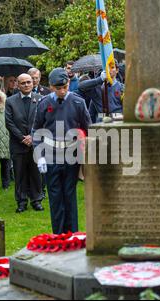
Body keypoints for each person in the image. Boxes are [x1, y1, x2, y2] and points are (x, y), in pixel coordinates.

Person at [32, 68, 92, 234]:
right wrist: (40, 156)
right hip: (51, 154)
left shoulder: (78, 102)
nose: (62, 91)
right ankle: (58, 235)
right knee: (55, 196)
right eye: (58, 88)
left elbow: (88, 128)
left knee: (69, 194)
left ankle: (72, 234)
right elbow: (36, 130)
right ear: (51, 86)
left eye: (65, 87)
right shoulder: (44, 103)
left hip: (71, 154)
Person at [5, 74, 43, 213]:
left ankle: (36, 200)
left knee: (36, 174)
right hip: (18, 144)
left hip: (36, 143)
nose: (26, 85)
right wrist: (22, 138)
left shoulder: (40, 99)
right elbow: (9, 123)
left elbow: (42, 120)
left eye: (28, 82)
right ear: (18, 85)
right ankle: (21, 202)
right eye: (23, 83)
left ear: (32, 83)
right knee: (19, 174)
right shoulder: (10, 101)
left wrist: (32, 137)